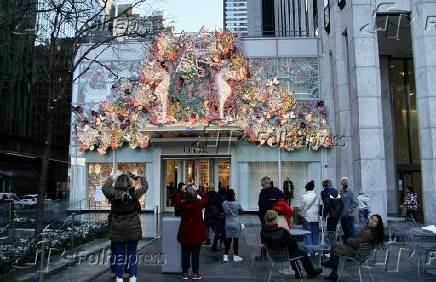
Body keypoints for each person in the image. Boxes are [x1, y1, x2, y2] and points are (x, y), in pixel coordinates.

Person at [102, 172, 148, 282]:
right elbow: (145, 187)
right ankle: (132, 278)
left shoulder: (112, 194)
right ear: (129, 183)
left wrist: (111, 178)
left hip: (117, 230)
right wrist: (139, 177)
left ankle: (119, 278)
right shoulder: (134, 194)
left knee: (119, 256)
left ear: (117, 182)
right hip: (132, 230)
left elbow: (104, 188)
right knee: (132, 254)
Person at [261, 210, 323, 279]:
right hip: (287, 254)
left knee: (293, 251)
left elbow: (264, 242)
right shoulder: (283, 231)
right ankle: (310, 272)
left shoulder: (263, 231)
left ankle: (298, 272)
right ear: (276, 219)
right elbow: (293, 243)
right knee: (301, 253)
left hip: (273, 255)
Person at [323, 214, 385, 281]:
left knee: (335, 246)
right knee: (336, 248)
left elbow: (356, 243)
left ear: (377, 224)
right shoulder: (372, 231)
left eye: (375, 221)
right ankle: (334, 272)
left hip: (356, 253)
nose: (372, 221)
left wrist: (349, 240)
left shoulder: (368, 232)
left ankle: (334, 273)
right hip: (358, 252)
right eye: (372, 219)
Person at [175, 185, 208, 280]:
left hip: (185, 232)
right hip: (197, 233)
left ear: (186, 196)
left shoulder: (183, 205)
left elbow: (176, 201)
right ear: (195, 195)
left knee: (185, 254)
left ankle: (185, 273)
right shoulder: (199, 204)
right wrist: (197, 190)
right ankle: (195, 273)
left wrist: (182, 191)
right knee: (195, 255)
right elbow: (206, 198)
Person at [222, 189, 244, 262]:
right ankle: (236, 256)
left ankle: (225, 256)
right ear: (233, 195)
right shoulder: (237, 203)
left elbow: (225, 211)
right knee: (235, 240)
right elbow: (242, 210)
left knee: (228, 240)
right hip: (235, 223)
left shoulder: (224, 203)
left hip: (227, 222)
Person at [301, 180, 319, 247]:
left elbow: (302, 207)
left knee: (307, 233)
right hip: (316, 217)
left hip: (306, 217)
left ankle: (309, 249)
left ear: (306, 188)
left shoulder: (304, 196)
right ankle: (316, 249)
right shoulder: (316, 196)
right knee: (315, 233)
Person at [339, 177, 358, 243]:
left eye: (346, 180)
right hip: (343, 216)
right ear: (341, 183)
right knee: (345, 232)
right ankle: (346, 246)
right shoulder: (340, 191)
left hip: (349, 215)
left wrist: (349, 209)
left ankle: (352, 246)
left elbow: (355, 203)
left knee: (350, 232)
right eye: (343, 180)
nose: (345, 182)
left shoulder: (350, 191)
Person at [210, 187, 227, 251]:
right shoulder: (224, 198)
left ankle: (215, 246)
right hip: (222, 216)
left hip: (217, 217)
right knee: (223, 231)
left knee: (218, 231)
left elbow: (213, 205)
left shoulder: (216, 196)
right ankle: (224, 245)